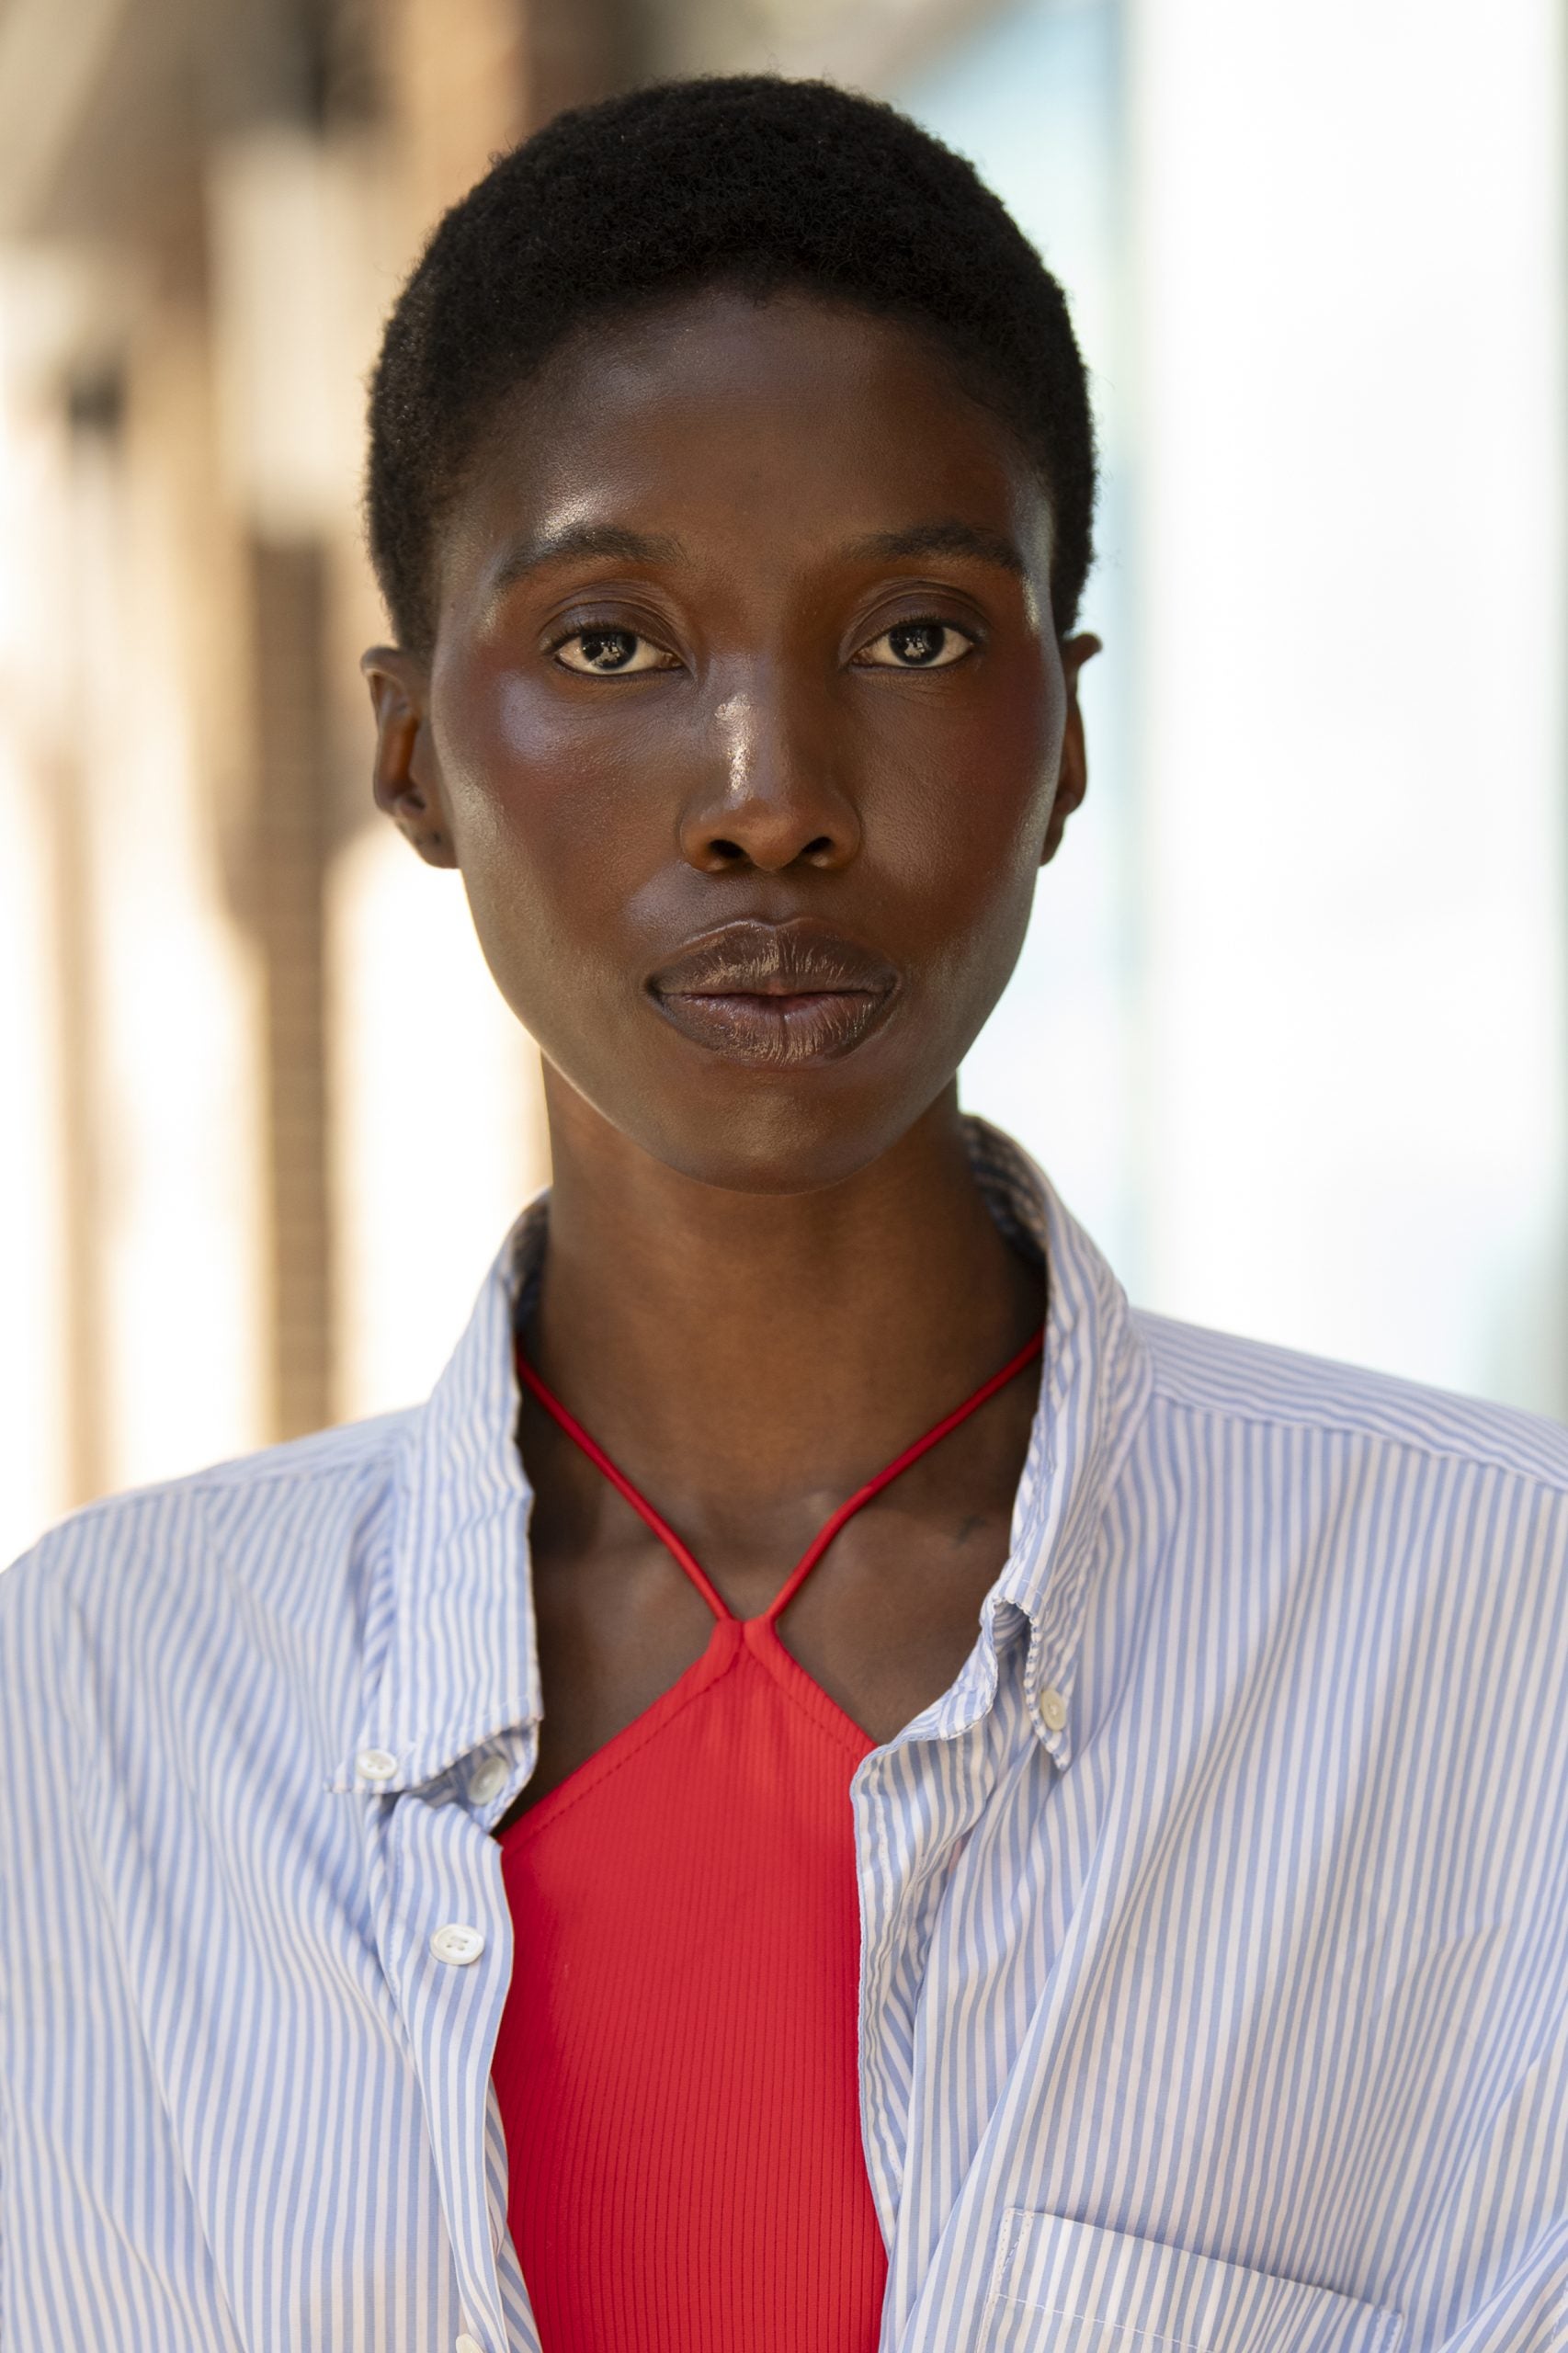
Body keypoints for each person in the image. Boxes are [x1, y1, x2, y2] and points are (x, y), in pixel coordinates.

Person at [1, 72, 1563, 2353]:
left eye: (917, 634)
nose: (770, 802)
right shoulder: (114, 1705)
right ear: (408, 749)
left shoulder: (1495, 1639)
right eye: (611, 641)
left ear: (1067, 736)